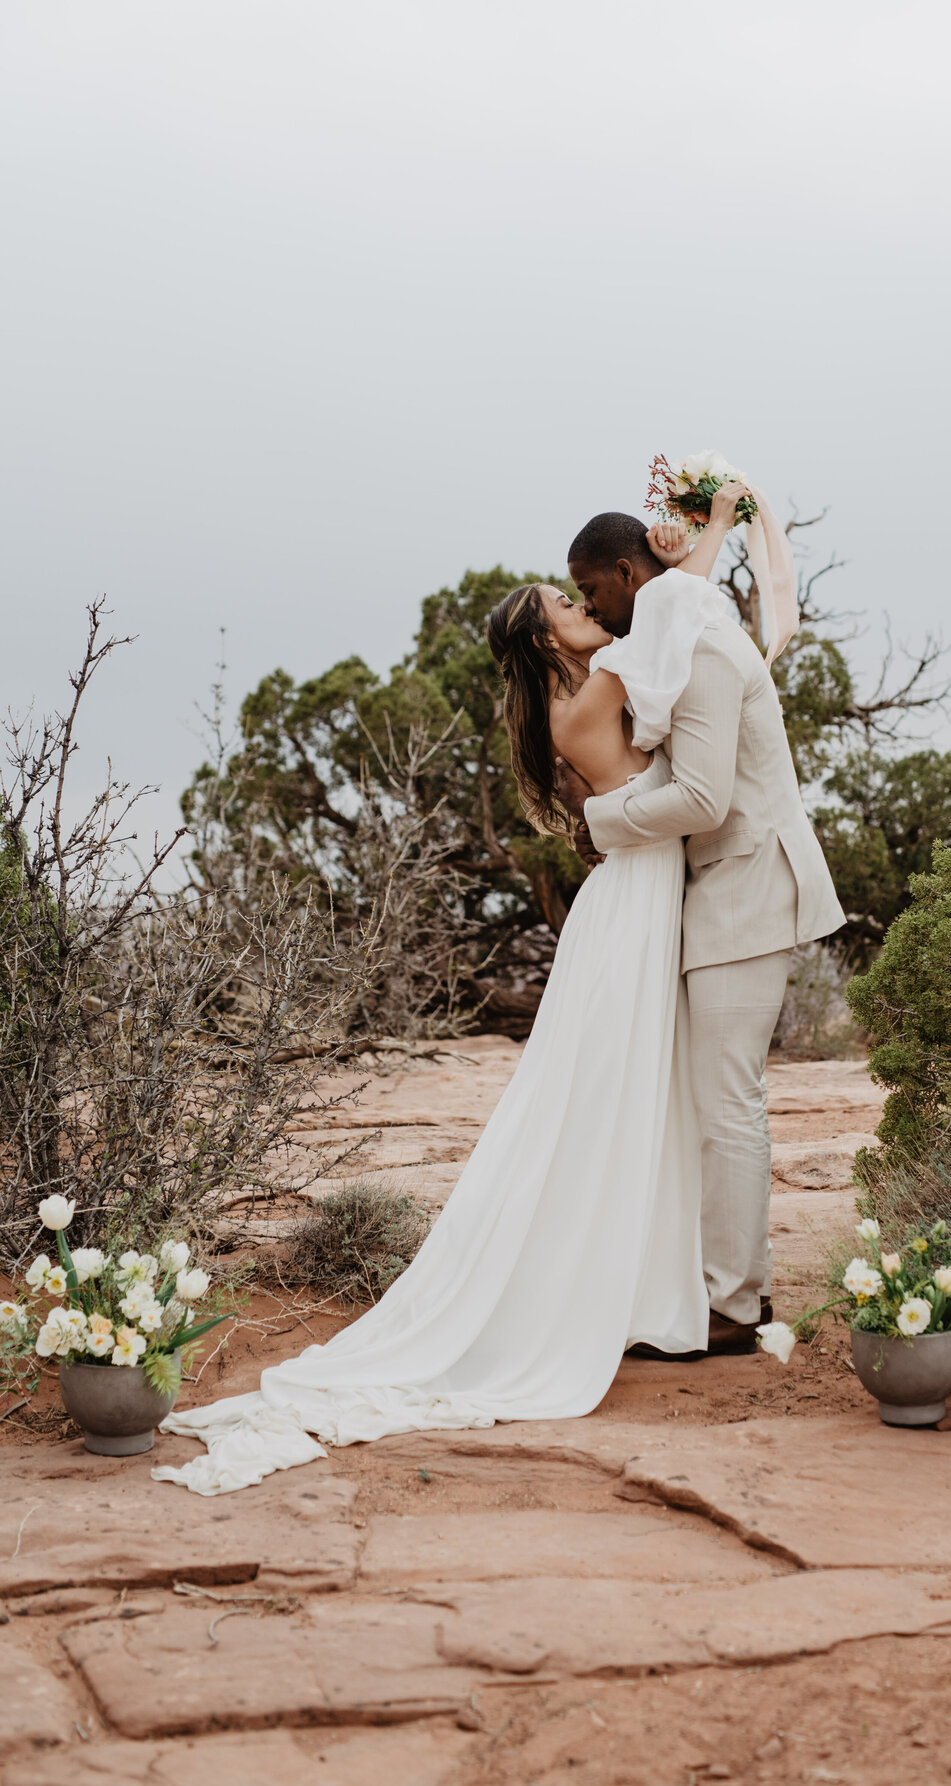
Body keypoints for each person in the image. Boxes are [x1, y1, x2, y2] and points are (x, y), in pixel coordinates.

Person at [152, 492, 749, 1495]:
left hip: (634, 895)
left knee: (622, 1090)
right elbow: (678, 604)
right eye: (564, 603)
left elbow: (669, 610)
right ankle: (613, 1291)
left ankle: (642, 1287)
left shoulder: (573, 700)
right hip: (637, 897)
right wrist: (713, 522)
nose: (582, 605)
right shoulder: (598, 684)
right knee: (613, 1091)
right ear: (548, 636)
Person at [559, 499, 845, 1356]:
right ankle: (719, 1284)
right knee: (715, 1098)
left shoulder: (707, 650)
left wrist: (601, 823)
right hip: (724, 891)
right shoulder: (678, 634)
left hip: (751, 885)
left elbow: (705, 798)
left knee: (728, 1102)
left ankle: (736, 1305)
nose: (593, 610)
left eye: (590, 590)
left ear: (624, 575)